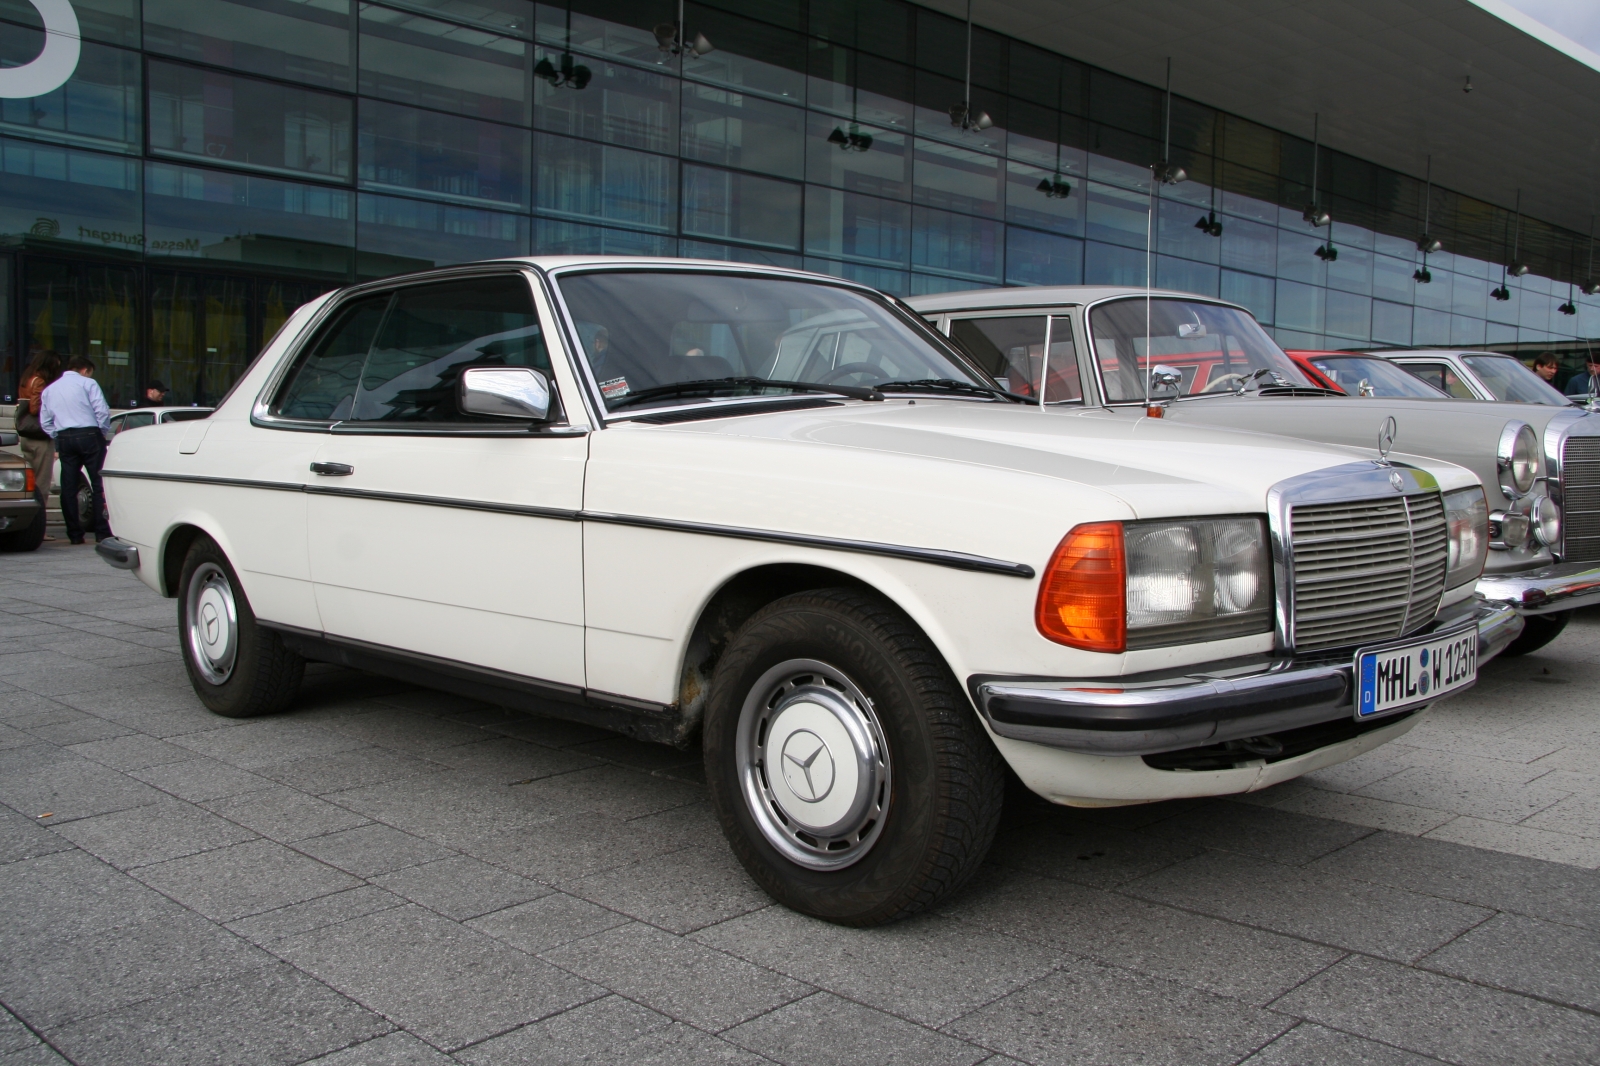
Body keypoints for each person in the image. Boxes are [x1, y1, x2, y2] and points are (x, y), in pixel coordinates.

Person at [39, 354, 113, 544]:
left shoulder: (49, 389)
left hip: (64, 437)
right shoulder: (88, 384)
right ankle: (102, 531)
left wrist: (57, 435)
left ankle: (74, 534)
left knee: (69, 487)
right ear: (84, 370)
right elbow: (102, 411)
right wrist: (101, 432)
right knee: (98, 484)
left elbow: (45, 421)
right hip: (89, 434)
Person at [15, 349, 62, 541]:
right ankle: (38, 528)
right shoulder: (40, 381)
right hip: (39, 437)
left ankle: (27, 525)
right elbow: (35, 408)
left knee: (29, 482)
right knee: (41, 484)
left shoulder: (27, 377)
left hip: (26, 436)